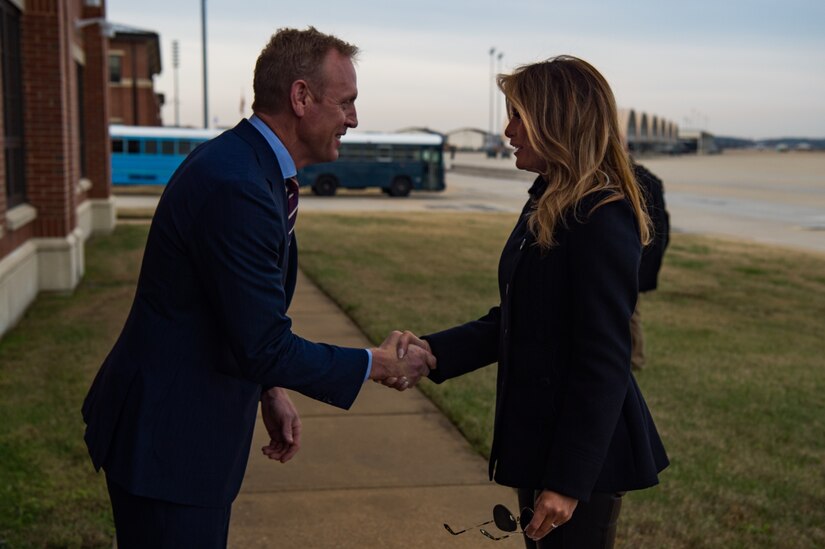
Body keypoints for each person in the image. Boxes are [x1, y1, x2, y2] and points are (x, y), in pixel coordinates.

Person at [81, 27, 434, 548]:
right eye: (346, 103)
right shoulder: (240, 187)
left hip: (180, 433)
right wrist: (378, 364)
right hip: (170, 444)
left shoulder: (249, 166)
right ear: (300, 97)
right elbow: (264, 343)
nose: (353, 120)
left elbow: (234, 312)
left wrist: (268, 388)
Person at [393, 56, 668, 548]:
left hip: (580, 461)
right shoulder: (550, 200)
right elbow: (523, 318)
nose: (507, 130)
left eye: (518, 115)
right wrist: (433, 351)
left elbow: (604, 358)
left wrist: (567, 481)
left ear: (557, 121)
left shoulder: (600, 216)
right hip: (544, 441)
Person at [629, 162, 669, 371]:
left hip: (639, 259)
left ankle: (636, 358)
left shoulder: (637, 181)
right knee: (631, 310)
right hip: (645, 256)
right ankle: (635, 356)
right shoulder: (649, 181)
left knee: (631, 311)